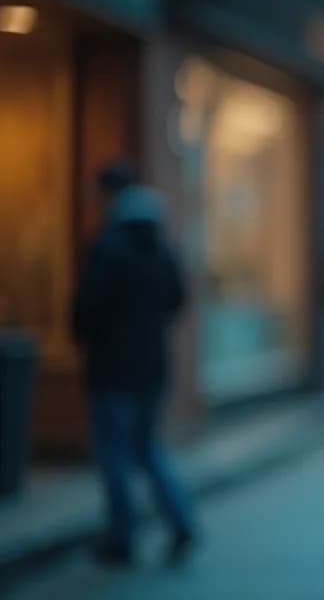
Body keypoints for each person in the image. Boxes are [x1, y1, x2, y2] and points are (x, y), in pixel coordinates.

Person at [70, 161, 198, 568]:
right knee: (146, 448)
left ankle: (122, 536)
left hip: (111, 368)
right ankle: (180, 519)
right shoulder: (161, 245)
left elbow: (86, 310)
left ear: (108, 197)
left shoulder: (108, 246)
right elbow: (178, 299)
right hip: (152, 365)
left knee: (114, 454)